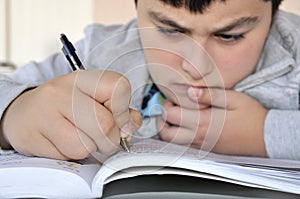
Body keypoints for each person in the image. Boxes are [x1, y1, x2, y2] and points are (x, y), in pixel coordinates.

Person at [1, 0, 299, 161]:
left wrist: (266, 134)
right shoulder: (101, 49)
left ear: (273, 17)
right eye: (170, 30)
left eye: (229, 36)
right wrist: (13, 111)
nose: (195, 66)